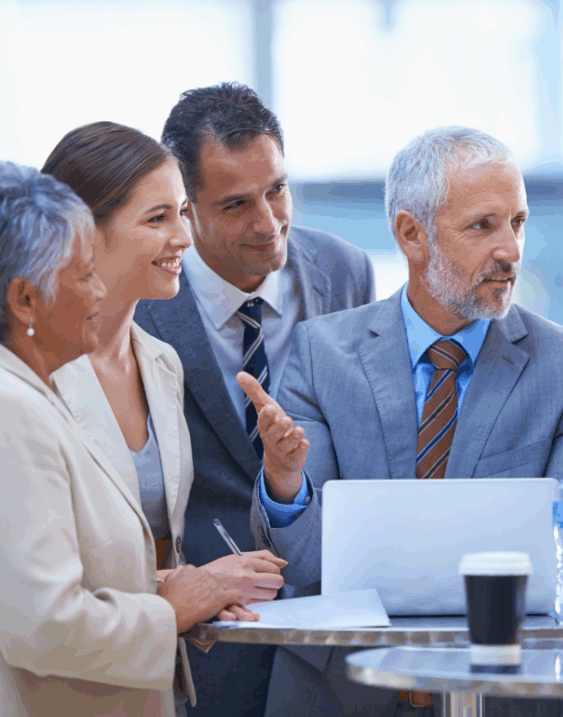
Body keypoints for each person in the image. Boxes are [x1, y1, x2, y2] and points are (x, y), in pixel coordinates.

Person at [245, 126, 563, 717]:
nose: (510, 249)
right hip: (339, 691)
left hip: (509, 691)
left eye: (518, 222)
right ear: (412, 234)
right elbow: (306, 564)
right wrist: (284, 482)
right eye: (483, 226)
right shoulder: (322, 352)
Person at [0, 162, 244, 717]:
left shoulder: (14, 392)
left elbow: (39, 574)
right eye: (84, 274)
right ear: (25, 301)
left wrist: (188, 585)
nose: (101, 292)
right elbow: (46, 625)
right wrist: (172, 608)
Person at [134, 82, 376, 716]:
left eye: (277, 189)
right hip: (208, 632)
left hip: (331, 624)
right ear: (185, 210)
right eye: (237, 204)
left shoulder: (345, 270)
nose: (269, 223)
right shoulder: (145, 298)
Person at [42, 122, 287, 711]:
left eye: (182, 212)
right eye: (158, 220)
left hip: (144, 688)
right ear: (82, 233)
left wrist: (205, 593)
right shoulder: (34, 374)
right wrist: (182, 593)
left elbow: (154, 553)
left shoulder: (160, 363)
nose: (184, 235)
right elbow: (32, 588)